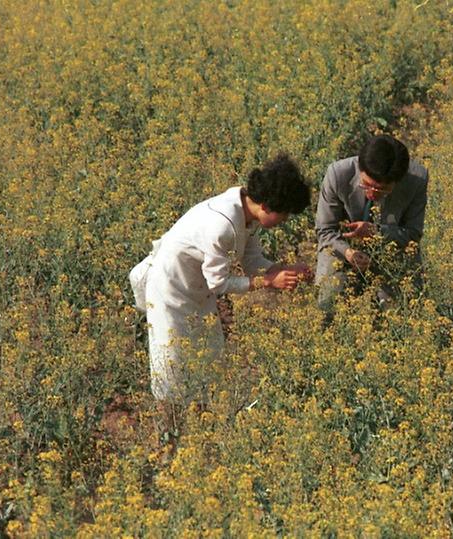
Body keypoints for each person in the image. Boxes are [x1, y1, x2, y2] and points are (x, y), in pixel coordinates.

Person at [129, 153, 312, 404]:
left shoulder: (247, 212)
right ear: (267, 207)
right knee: (172, 367)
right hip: (171, 292)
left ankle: (201, 420)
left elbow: (252, 261)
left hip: (196, 290)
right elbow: (219, 283)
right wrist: (268, 281)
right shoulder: (223, 225)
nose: (285, 221)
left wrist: (284, 269)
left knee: (207, 359)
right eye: (285, 215)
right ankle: (170, 427)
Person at [315, 135, 428, 313]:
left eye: (382, 189)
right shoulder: (338, 174)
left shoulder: (417, 180)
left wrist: (377, 232)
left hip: (393, 249)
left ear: (398, 181)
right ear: (360, 168)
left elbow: (413, 234)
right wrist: (349, 253)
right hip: (342, 249)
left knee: (403, 313)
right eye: (366, 185)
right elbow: (325, 230)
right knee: (330, 307)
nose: (372, 193)